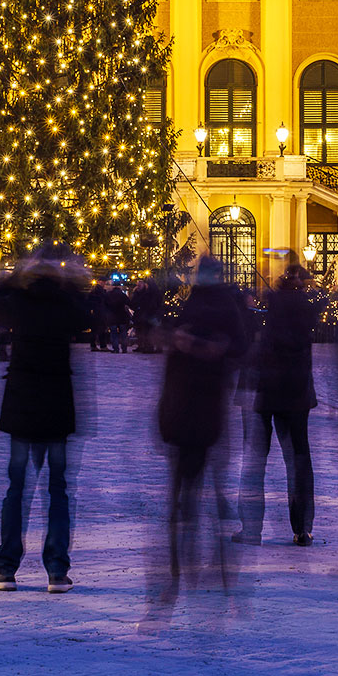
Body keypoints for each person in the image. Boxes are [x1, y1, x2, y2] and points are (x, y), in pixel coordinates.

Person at [145, 255, 250, 624]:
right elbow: (234, 348)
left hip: (194, 406)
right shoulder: (216, 303)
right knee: (199, 481)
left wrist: (194, 346)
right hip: (196, 407)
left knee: (192, 486)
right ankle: (198, 554)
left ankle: (188, 555)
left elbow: (231, 348)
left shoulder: (203, 303)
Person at [0, 245, 89, 593]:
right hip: (58, 408)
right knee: (58, 491)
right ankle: (57, 570)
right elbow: (89, 312)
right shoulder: (65, 304)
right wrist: (70, 281)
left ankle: (5, 568)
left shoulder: (19, 303)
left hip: (22, 408)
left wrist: (14, 277)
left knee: (17, 490)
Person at [237, 263, 319, 546]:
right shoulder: (306, 310)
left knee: (254, 462)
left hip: (262, 391)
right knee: (298, 460)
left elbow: (246, 346)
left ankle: (251, 528)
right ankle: (303, 528)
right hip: (295, 392)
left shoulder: (265, 311)